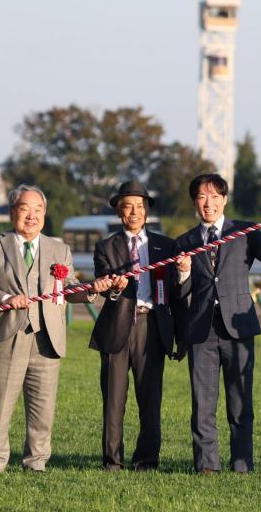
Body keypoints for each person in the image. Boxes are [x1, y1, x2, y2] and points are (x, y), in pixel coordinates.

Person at [0, 184, 112, 473]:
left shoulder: (60, 249)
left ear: (45, 214)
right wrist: (6, 299)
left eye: (38, 210)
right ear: (13, 212)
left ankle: (36, 463)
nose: (31, 216)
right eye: (25, 209)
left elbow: (70, 288)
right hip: (6, 335)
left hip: (48, 339)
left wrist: (90, 291)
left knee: (42, 409)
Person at [174, 173, 261, 474]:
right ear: (195, 201)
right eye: (203, 197)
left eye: (215, 196)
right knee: (203, 401)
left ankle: (242, 463)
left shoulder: (244, 231)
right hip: (201, 331)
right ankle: (207, 464)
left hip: (238, 327)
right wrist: (182, 273)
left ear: (224, 200)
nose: (209, 203)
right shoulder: (185, 242)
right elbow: (180, 293)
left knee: (240, 400)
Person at [88, 181, 190, 471]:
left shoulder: (166, 246)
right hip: (117, 326)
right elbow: (105, 287)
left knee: (150, 399)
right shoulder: (106, 246)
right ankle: (112, 461)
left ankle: (147, 460)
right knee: (113, 400)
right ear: (119, 212)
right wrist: (116, 287)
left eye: (139, 205)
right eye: (127, 206)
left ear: (146, 210)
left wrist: (183, 274)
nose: (133, 211)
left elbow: (176, 294)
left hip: (153, 328)